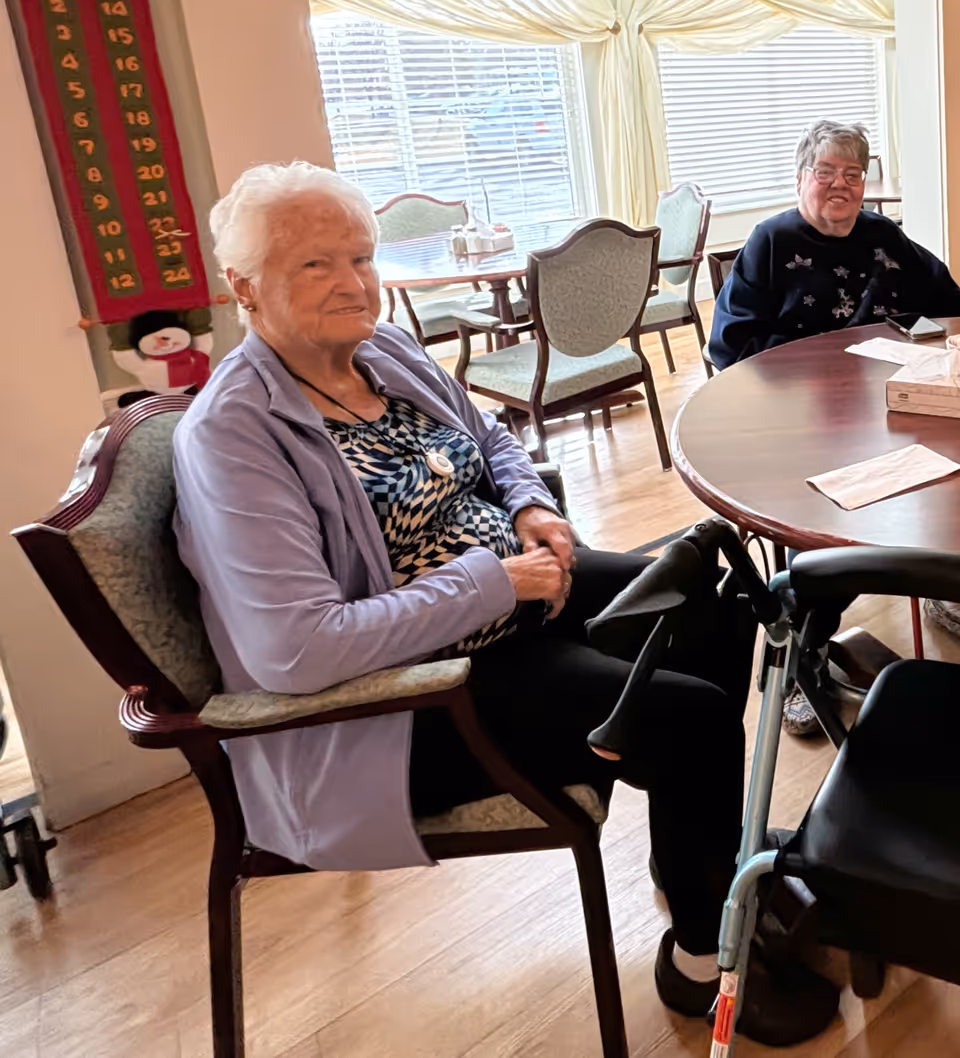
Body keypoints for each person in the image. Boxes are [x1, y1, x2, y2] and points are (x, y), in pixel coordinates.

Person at [173, 163, 838, 1045]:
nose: (352, 283)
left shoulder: (378, 352)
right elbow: (299, 650)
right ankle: (697, 960)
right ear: (243, 288)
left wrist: (529, 507)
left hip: (514, 597)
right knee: (689, 718)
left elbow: (488, 434)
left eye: (362, 258)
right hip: (414, 697)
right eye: (314, 265)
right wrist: (493, 582)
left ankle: (697, 861)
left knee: (711, 600)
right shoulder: (233, 435)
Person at [709, 121, 960, 369]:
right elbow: (733, 340)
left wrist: (922, 352)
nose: (840, 183)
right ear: (799, 180)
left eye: (852, 174)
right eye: (824, 172)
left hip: (883, 376)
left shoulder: (883, 233)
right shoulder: (771, 241)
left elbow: (943, 295)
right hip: (798, 387)